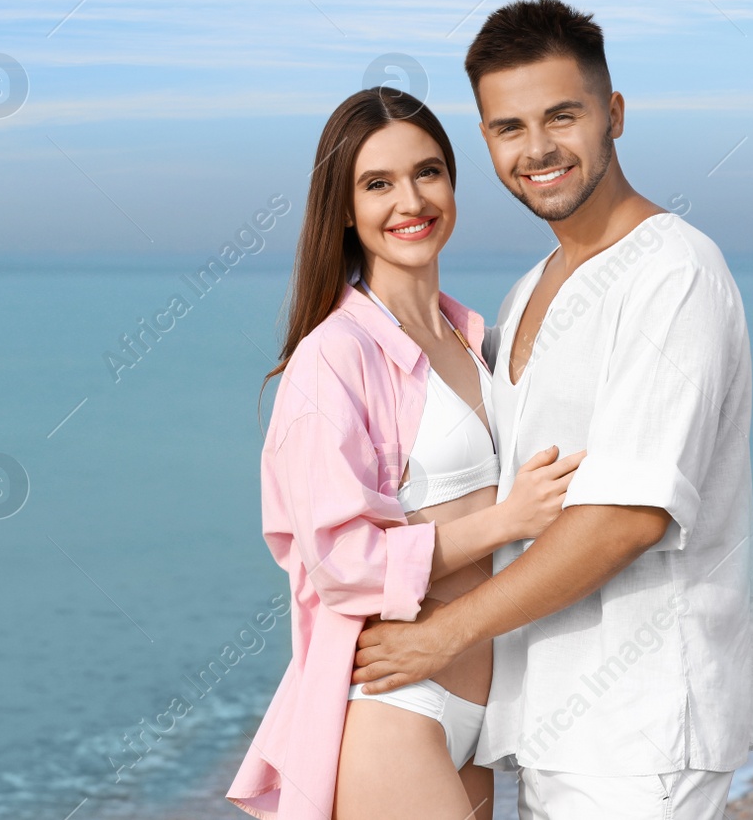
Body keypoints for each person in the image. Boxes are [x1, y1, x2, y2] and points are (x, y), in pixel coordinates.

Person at [352, 0, 753, 819]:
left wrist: (442, 636)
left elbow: (626, 516)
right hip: (548, 722)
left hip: (643, 732)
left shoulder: (673, 272)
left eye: (562, 116)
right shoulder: (523, 294)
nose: (537, 148)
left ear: (612, 114)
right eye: (508, 127)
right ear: (486, 141)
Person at [226, 87, 581, 820]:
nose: (410, 200)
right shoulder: (333, 357)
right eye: (377, 183)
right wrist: (507, 519)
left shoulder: (474, 337)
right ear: (344, 208)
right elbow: (340, 563)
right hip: (398, 703)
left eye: (428, 172)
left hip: (484, 710)